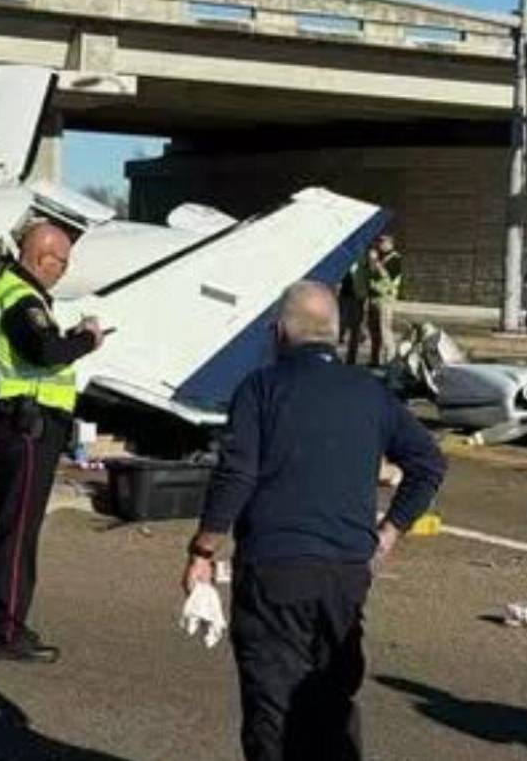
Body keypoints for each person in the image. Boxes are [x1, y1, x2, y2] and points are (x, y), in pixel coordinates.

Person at [182, 281, 446, 760]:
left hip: (275, 569)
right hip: (346, 573)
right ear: (336, 333)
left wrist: (203, 548)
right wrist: (388, 533)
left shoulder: (261, 388)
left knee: (273, 711)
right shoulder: (371, 392)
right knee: (331, 704)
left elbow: (237, 474)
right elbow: (429, 464)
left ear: (278, 332)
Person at [0, 221, 104, 662]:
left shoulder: (5, 292)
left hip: (12, 418)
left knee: (6, 523)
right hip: (27, 423)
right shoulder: (21, 299)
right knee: (18, 529)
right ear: (42, 257)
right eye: (61, 262)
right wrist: (85, 340)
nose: (63, 272)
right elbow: (43, 351)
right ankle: (4, 629)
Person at [366, 234, 402, 367]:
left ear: (390, 243)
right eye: (379, 242)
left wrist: (376, 262)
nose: (379, 244)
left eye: (382, 242)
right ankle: (374, 360)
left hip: (385, 300)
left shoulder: (395, 259)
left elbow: (388, 277)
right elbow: (371, 275)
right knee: (373, 331)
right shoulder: (381, 258)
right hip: (373, 298)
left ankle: (390, 361)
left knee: (385, 330)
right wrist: (372, 262)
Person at [338, 255, 368, 365]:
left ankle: (351, 358)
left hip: (357, 298)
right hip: (345, 296)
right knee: (341, 324)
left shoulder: (364, 263)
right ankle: (336, 355)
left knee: (355, 328)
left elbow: (366, 280)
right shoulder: (344, 262)